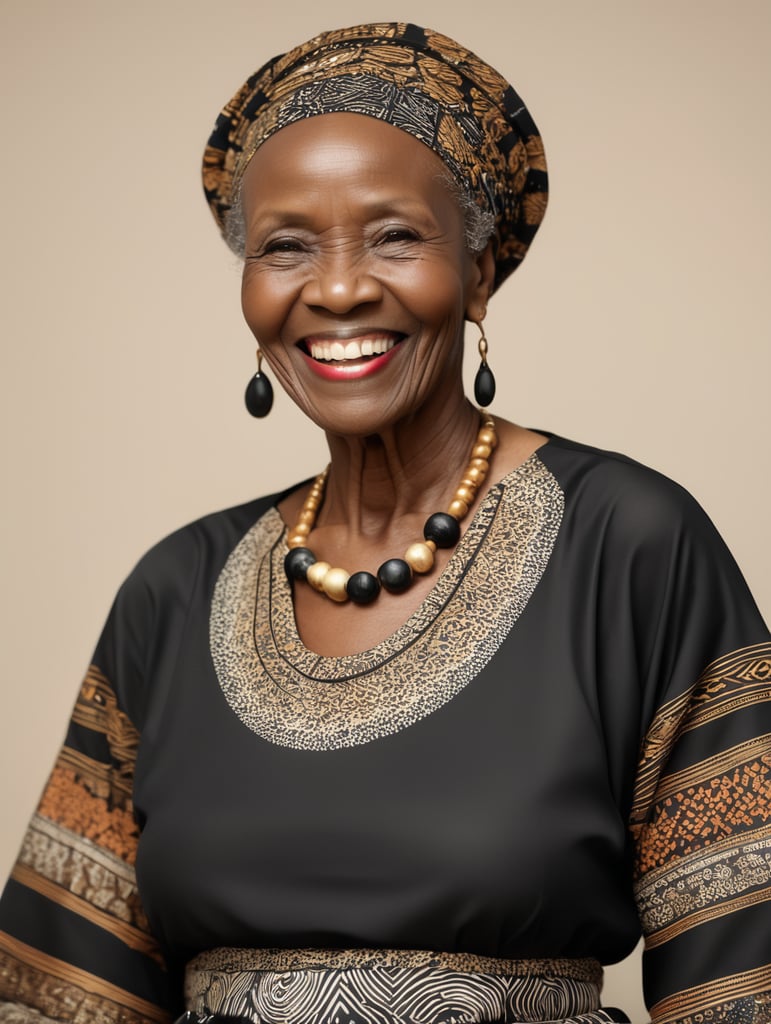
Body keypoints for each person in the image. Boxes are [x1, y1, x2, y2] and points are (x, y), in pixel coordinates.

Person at [0, 21, 769, 1024]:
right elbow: (60, 996)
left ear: (481, 271)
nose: (336, 287)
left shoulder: (632, 547)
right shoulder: (175, 590)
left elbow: (743, 976)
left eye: (396, 234)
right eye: (285, 246)